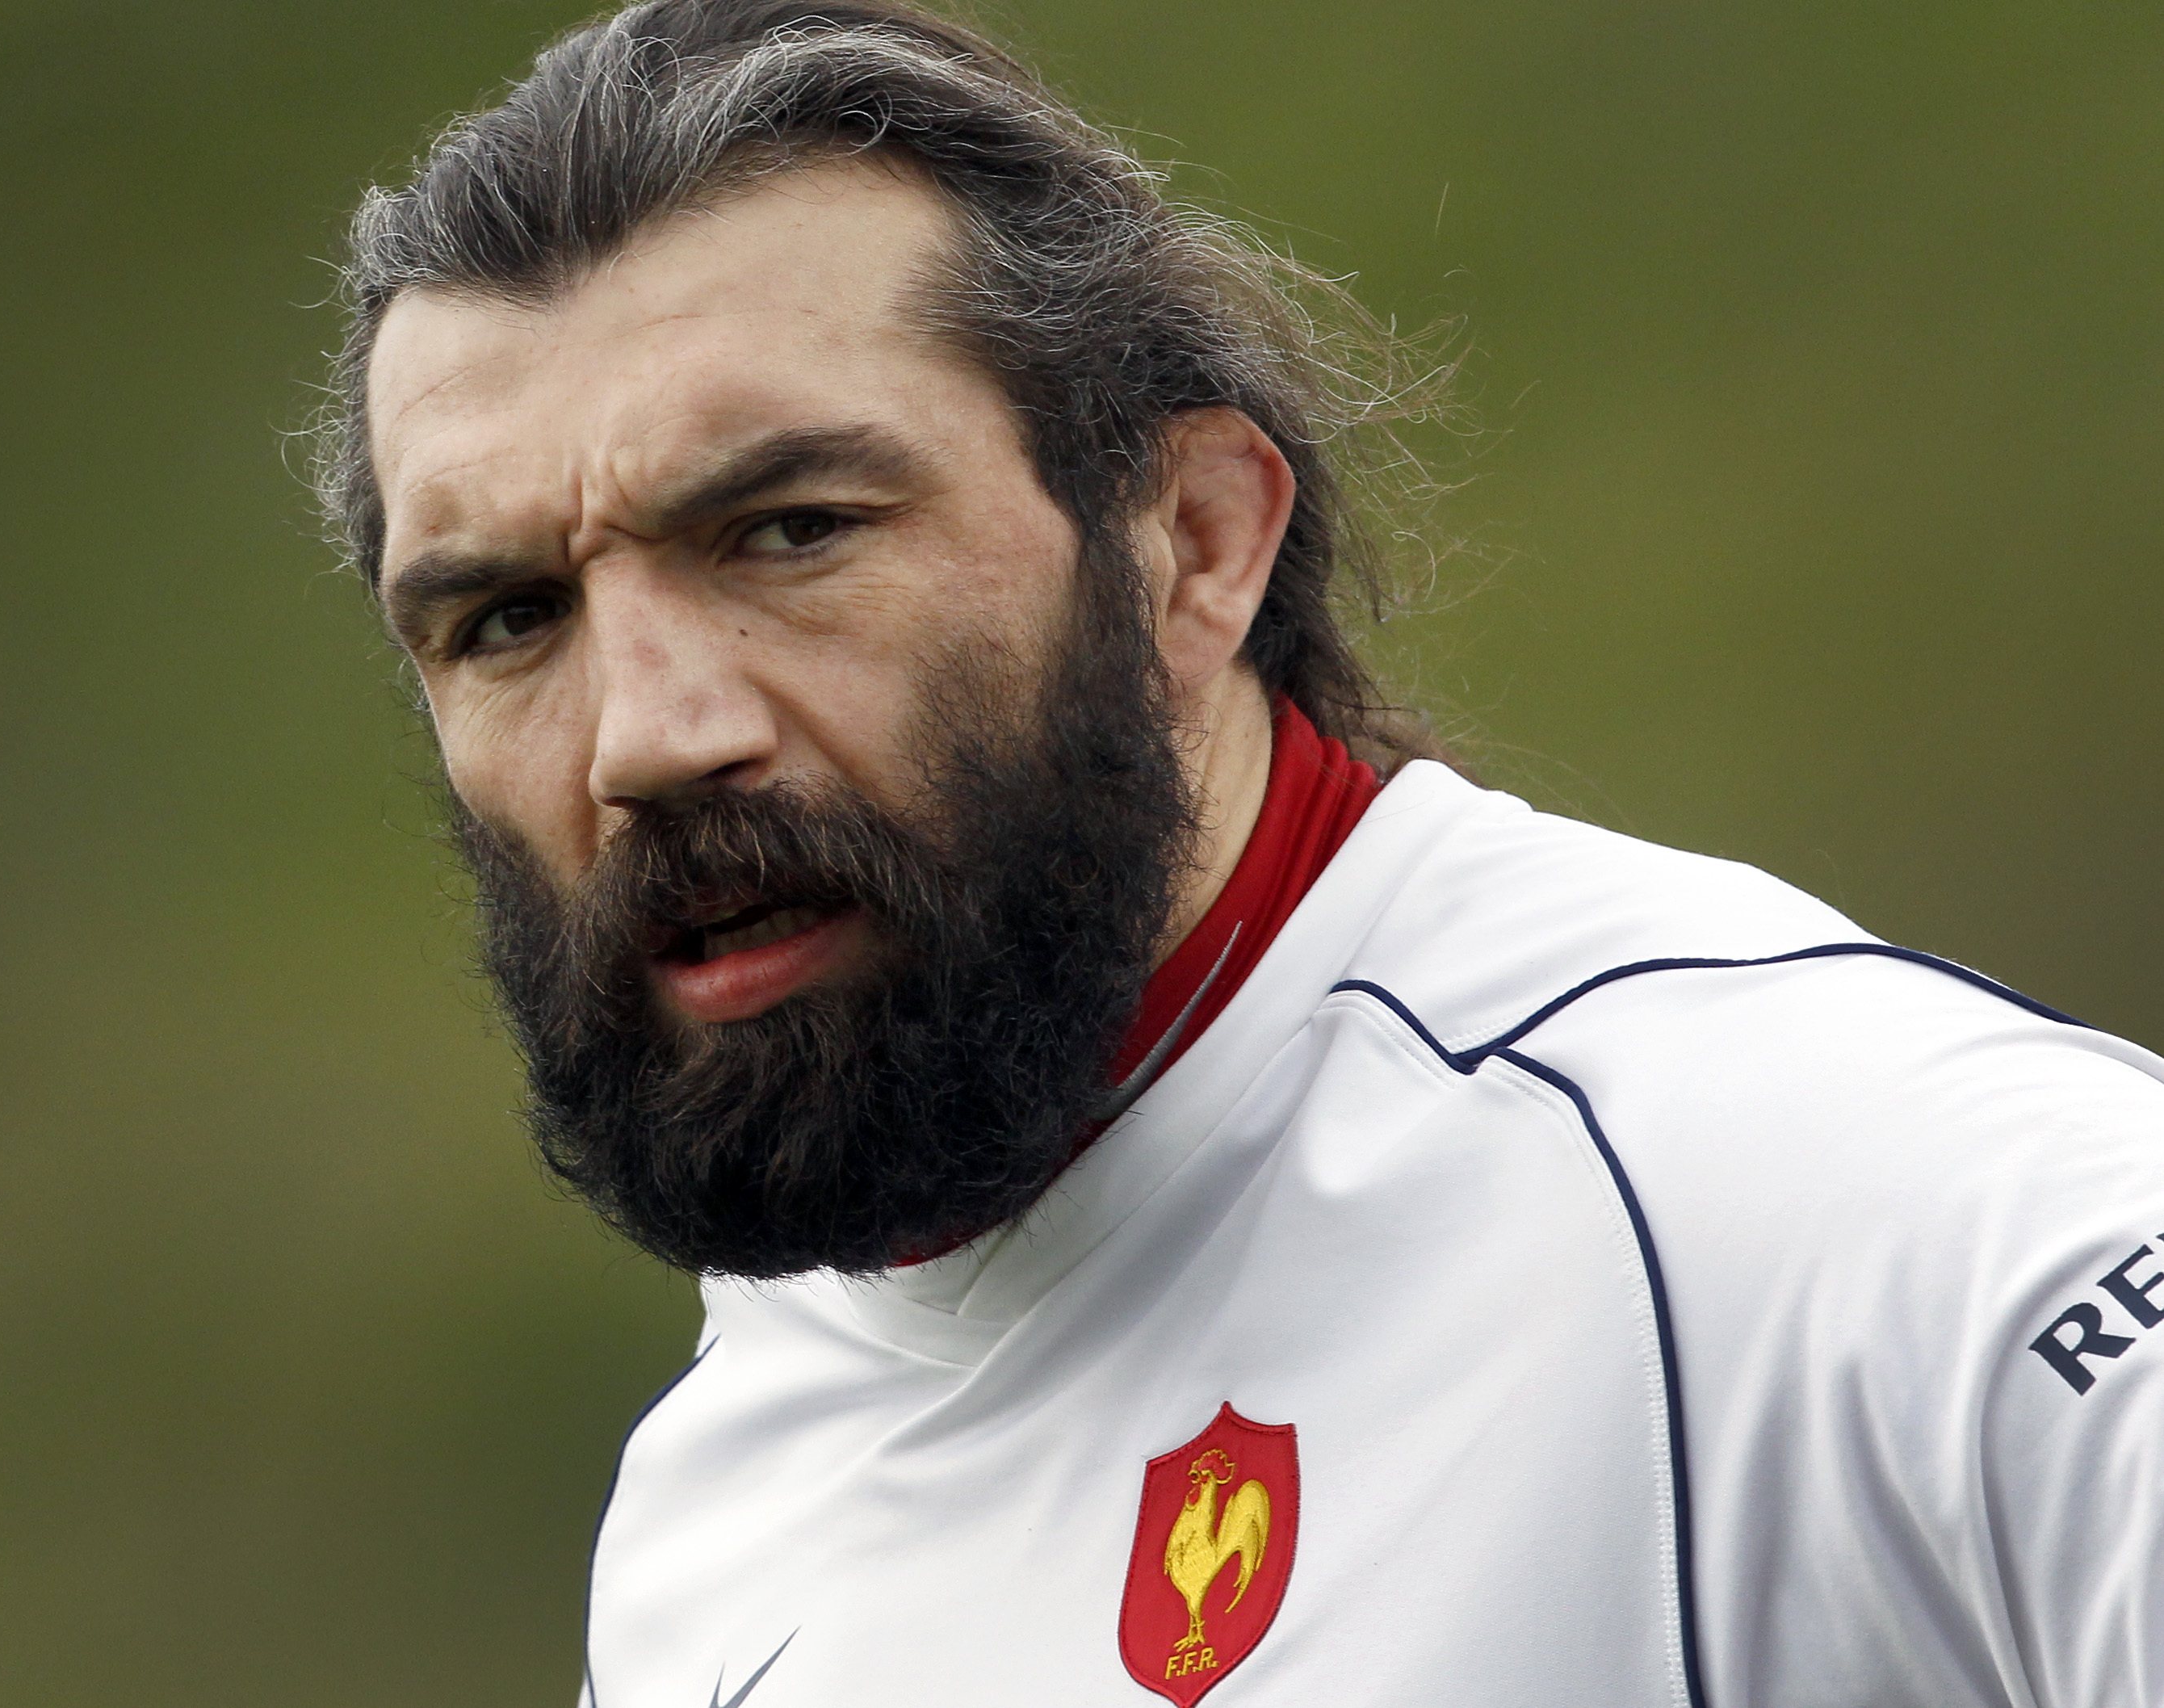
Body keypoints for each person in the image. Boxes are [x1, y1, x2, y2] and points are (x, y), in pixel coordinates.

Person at [316, 2, 2164, 1702]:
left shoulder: (1839, 1201)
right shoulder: (713, 1525)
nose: (648, 731)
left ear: (1192, 542)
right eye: (503, 620)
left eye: (790, 529)